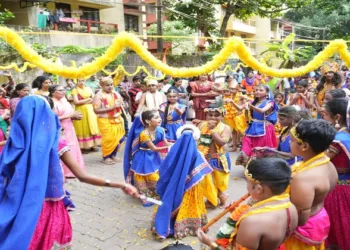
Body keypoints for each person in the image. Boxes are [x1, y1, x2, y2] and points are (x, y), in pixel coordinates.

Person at [0, 96, 139, 250]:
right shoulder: (55, 143)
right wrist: (120, 184)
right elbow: (83, 176)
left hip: (17, 208)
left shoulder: (12, 144)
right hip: (49, 210)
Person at [197, 158, 298, 250]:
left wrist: (210, 242)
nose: (247, 187)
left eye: (248, 182)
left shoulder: (251, 221)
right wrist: (239, 212)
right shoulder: (292, 208)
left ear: (259, 189)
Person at [152, 125, 213, 240]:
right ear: (196, 139)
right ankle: (188, 226)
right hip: (191, 187)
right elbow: (201, 172)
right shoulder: (198, 153)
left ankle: (166, 224)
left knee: (168, 201)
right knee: (189, 205)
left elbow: (164, 167)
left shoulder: (171, 150)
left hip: (172, 185)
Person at [284, 119, 338, 249]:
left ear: (304, 146)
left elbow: (300, 218)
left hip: (304, 227)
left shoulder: (303, 178)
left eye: (291, 140)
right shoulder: (328, 164)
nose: (289, 142)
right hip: (320, 216)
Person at [124, 110, 172, 207]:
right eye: (156, 117)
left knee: (155, 176)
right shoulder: (144, 134)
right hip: (143, 157)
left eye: (159, 117)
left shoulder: (160, 130)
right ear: (148, 121)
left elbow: (166, 143)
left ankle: (156, 194)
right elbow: (154, 148)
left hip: (154, 156)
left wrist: (176, 145)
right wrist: (170, 147)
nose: (160, 119)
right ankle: (146, 197)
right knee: (141, 177)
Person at [322, 98, 350, 249]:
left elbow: (319, 162)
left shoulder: (338, 141)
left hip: (339, 191)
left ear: (337, 117)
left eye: (326, 114)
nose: (324, 118)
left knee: (340, 230)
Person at [194, 100, 232, 208]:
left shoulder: (226, 128)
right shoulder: (202, 125)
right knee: (207, 182)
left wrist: (212, 130)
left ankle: (222, 197)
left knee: (219, 184)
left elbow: (221, 143)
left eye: (217, 115)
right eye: (210, 115)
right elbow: (196, 140)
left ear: (222, 116)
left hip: (218, 160)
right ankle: (211, 200)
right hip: (204, 157)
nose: (213, 118)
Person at [236, 85, 278, 166]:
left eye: (261, 90)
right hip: (253, 126)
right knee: (246, 142)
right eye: (256, 90)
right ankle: (248, 161)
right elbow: (239, 109)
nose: (257, 92)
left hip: (264, 127)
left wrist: (250, 106)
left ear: (267, 93)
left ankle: (261, 165)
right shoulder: (253, 102)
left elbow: (262, 111)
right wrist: (231, 102)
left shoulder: (270, 102)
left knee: (261, 147)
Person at [49, 85, 85, 177]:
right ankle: (65, 171)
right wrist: (69, 116)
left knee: (72, 146)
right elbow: (52, 118)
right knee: (64, 148)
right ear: (53, 92)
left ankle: (74, 170)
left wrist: (75, 116)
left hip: (69, 126)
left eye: (63, 90)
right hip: (60, 128)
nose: (63, 92)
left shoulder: (64, 100)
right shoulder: (51, 102)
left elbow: (70, 112)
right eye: (60, 90)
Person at [93, 77, 126, 165]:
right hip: (105, 120)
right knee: (108, 139)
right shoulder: (98, 96)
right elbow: (96, 110)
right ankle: (106, 157)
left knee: (119, 138)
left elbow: (122, 105)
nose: (110, 87)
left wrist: (122, 105)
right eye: (107, 85)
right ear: (102, 86)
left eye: (111, 85)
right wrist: (112, 108)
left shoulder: (116, 94)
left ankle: (113, 155)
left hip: (117, 119)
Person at [72, 78, 101, 152]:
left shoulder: (88, 88)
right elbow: (76, 102)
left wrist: (85, 101)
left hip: (90, 110)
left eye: (83, 80)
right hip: (81, 110)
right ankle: (82, 146)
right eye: (80, 81)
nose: (81, 82)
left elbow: (93, 98)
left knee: (92, 125)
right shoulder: (75, 90)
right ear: (76, 82)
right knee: (82, 127)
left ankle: (94, 145)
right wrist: (87, 100)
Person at [223, 80, 247, 151]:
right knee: (233, 132)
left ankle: (245, 146)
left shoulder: (240, 95)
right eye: (230, 89)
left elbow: (248, 101)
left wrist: (244, 104)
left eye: (232, 89)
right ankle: (234, 146)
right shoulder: (229, 96)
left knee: (242, 132)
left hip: (239, 116)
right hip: (231, 117)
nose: (230, 90)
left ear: (237, 89)